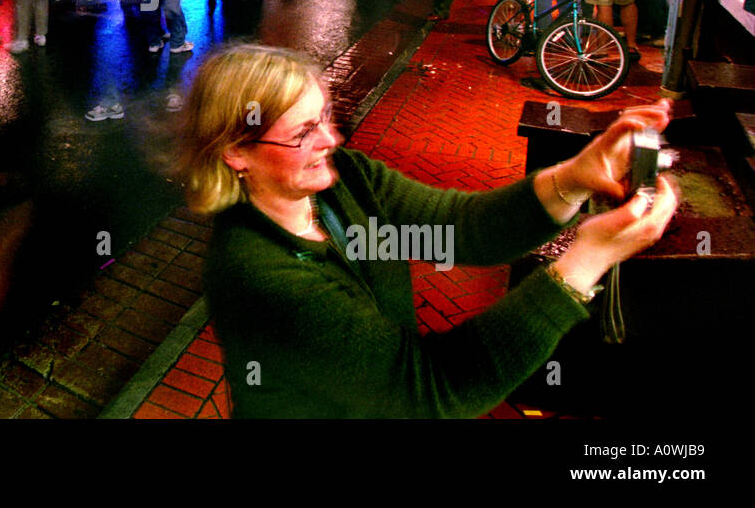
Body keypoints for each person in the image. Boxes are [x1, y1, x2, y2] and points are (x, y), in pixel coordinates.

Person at [179, 44, 678, 418]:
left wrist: (573, 176)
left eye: (327, 117)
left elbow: (464, 228)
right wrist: (584, 263)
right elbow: (433, 389)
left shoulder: (344, 183)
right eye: (302, 133)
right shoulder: (259, 273)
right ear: (235, 152)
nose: (331, 139)